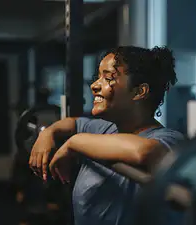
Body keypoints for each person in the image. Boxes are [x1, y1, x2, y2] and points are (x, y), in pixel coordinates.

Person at [28, 46, 184, 225]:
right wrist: (48, 133)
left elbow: (144, 151)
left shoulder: (169, 138)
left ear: (139, 91)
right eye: (98, 77)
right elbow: (72, 123)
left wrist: (74, 142)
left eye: (108, 77)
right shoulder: (105, 128)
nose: (94, 85)